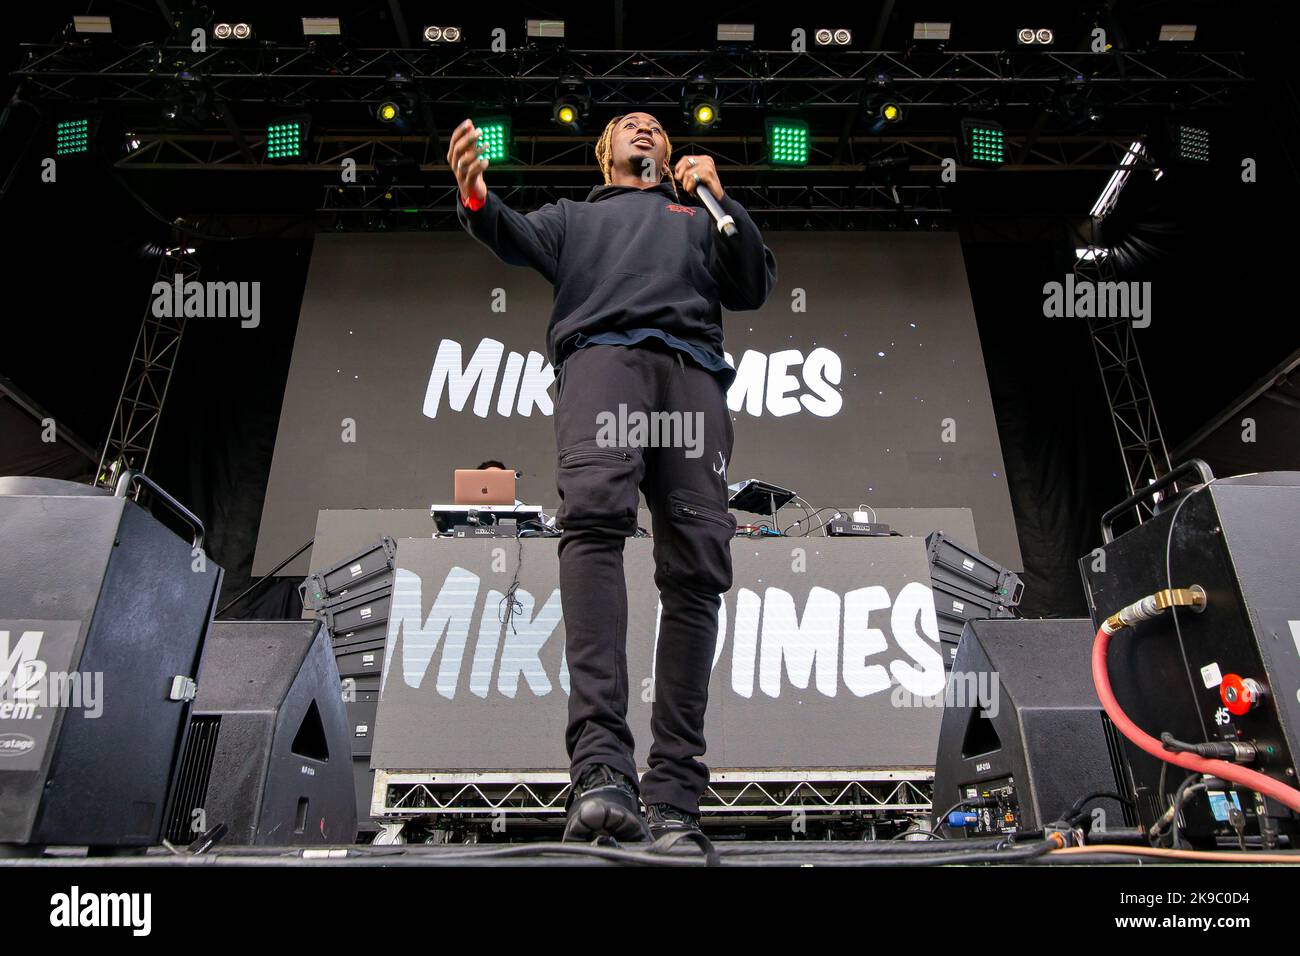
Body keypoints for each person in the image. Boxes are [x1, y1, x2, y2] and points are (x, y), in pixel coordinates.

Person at [449, 111, 776, 842]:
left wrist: (722, 199)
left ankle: (675, 800)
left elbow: (751, 283)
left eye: (656, 126)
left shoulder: (700, 218)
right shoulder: (574, 217)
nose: (645, 129)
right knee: (594, 526)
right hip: (604, 362)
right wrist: (474, 195)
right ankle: (601, 770)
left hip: (692, 375)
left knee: (697, 568)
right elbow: (510, 232)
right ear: (607, 155)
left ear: (669, 154)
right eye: (629, 125)